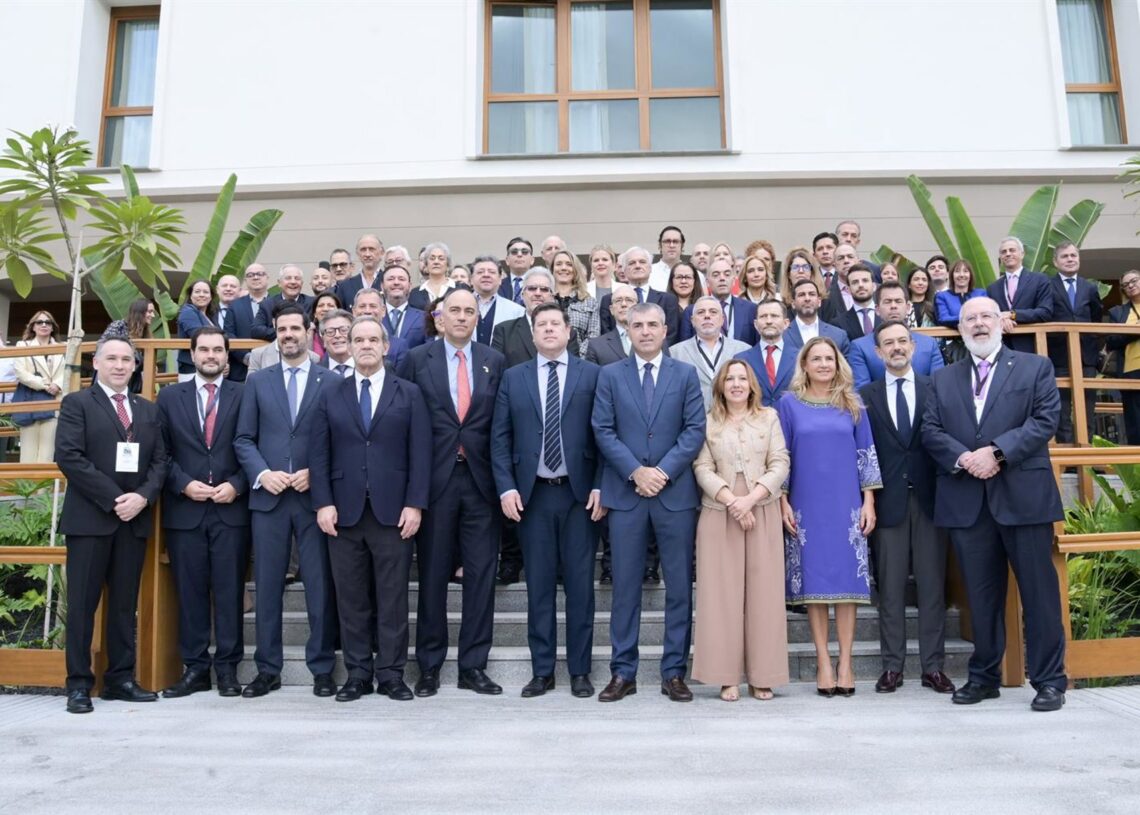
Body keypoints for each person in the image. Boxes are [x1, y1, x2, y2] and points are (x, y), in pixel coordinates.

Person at [921, 297, 1068, 712]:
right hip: (967, 500)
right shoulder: (943, 378)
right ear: (960, 329)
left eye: (986, 316)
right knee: (981, 597)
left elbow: (1044, 421)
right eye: (970, 319)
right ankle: (984, 677)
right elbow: (930, 429)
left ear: (1001, 322)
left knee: (1039, 594)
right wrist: (965, 457)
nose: (979, 324)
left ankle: (1049, 680)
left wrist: (997, 453)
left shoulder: (1034, 367)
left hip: (1024, 499)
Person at [310, 316, 431, 702]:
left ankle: (392, 674)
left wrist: (415, 504)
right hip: (343, 514)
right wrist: (323, 503)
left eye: (372, 340)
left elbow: (421, 454)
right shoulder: (331, 393)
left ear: (385, 347)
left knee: (393, 598)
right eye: (358, 339)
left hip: (393, 513)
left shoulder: (409, 393)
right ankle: (358, 674)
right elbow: (319, 453)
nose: (365, 345)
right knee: (351, 599)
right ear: (348, 346)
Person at [591, 302, 706, 703]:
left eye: (652, 324)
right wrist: (635, 472)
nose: (644, 331)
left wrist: (662, 472)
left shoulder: (685, 374)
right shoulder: (610, 375)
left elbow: (694, 430)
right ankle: (623, 672)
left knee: (679, 588)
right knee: (625, 587)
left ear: (665, 329)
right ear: (627, 329)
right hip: (627, 494)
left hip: (674, 496)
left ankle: (673, 672)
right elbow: (602, 429)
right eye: (637, 325)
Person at [396, 288, 507, 697]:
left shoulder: (494, 360)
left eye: (469, 311)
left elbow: (500, 424)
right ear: (439, 318)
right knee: (432, 576)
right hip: (434, 483)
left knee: (481, 577)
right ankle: (429, 666)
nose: (461, 317)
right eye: (454, 310)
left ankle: (473, 666)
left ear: (478, 318)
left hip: (481, 483)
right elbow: (402, 422)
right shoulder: (414, 360)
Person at [491, 303, 604, 699]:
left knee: (580, 589)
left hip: (580, 497)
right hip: (533, 496)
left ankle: (579, 671)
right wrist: (506, 488)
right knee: (538, 587)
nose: (550, 329)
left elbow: (605, 435)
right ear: (533, 333)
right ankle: (542, 671)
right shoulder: (513, 377)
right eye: (542, 324)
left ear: (569, 331)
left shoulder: (592, 375)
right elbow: (500, 438)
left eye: (556, 323)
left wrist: (601, 486)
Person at [54, 337, 169, 714]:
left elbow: (160, 462)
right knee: (82, 607)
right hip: (90, 520)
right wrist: (116, 498)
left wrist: (142, 498)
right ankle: (78, 685)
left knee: (123, 606)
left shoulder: (147, 409)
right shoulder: (77, 403)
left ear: (135, 365)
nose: (120, 365)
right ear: (96, 363)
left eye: (126, 360)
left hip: (133, 521)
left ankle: (120, 679)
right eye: (112, 359)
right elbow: (69, 457)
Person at [233, 305, 339, 699]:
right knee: (267, 586)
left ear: (310, 332)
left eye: (296, 327)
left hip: (314, 499)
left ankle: (322, 668)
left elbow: (341, 439)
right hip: (270, 499)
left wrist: (316, 472)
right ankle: (267, 669)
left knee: (319, 586)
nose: (289, 334)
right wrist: (263, 474)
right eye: (282, 329)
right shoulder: (258, 382)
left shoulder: (331, 381)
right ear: (275, 334)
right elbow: (244, 438)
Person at [777, 336, 880, 697]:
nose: (823, 364)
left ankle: (846, 663)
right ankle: (823, 661)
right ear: (804, 365)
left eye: (829, 359)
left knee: (847, 587)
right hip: (806, 506)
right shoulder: (788, 405)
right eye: (816, 359)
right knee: (815, 588)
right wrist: (782, 502)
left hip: (846, 505)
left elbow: (866, 454)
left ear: (838, 365)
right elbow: (782, 456)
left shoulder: (853, 404)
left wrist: (869, 502)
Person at [858, 321, 954, 696]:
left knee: (932, 587)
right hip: (888, 503)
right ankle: (892, 667)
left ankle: (933, 667)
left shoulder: (938, 388)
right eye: (888, 343)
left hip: (932, 500)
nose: (896, 348)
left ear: (913, 347)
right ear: (878, 352)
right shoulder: (866, 396)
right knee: (891, 588)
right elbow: (864, 452)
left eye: (902, 341)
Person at [156, 326, 249, 699]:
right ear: (192, 354)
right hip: (186, 510)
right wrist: (182, 484)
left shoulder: (245, 394)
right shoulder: (169, 397)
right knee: (190, 592)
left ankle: (227, 669)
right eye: (204, 350)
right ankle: (195, 668)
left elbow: (256, 446)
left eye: (218, 350)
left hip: (231, 509)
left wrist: (238, 484)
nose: (211, 356)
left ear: (227, 356)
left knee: (229, 592)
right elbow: (160, 453)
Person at [692, 360, 790, 702]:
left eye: (742, 379)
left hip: (761, 508)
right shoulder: (708, 421)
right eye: (729, 379)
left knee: (765, 595)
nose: (736, 384)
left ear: (752, 385)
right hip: (719, 511)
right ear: (720, 385)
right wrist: (732, 501)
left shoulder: (769, 417)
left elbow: (780, 462)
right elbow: (701, 466)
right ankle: (725, 676)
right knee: (720, 596)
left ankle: (763, 676)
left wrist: (750, 499)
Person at [1048, 241, 1103, 443]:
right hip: (1058, 354)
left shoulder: (1089, 287)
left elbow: (1096, 318)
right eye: (1065, 256)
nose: (1070, 259)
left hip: (1086, 355)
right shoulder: (1048, 286)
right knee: (1061, 406)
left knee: (1087, 404)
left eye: (1073, 255)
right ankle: (1066, 450)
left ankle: (1085, 447)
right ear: (1056, 262)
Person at [847, 282, 944, 388]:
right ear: (877, 309)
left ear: (908, 307)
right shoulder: (860, 347)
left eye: (898, 301)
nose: (893, 306)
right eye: (887, 302)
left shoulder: (929, 344)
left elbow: (939, 387)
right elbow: (861, 392)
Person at [670, 296, 751, 411]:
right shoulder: (674, 353)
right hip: (692, 418)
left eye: (713, 312)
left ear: (722, 319)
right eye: (701, 312)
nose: (707, 316)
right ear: (692, 321)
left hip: (733, 418)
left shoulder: (743, 350)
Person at [492, 267, 579, 371]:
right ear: (522, 295)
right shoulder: (504, 331)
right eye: (532, 288)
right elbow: (496, 371)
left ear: (552, 296)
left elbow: (574, 370)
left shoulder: (566, 331)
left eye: (544, 289)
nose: (538, 293)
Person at [598, 247, 681, 346]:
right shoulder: (609, 299)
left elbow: (671, 335)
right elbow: (606, 335)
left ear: (650, 268)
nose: (637, 266)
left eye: (642, 262)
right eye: (632, 263)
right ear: (624, 270)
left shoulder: (668, 300)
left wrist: (651, 352)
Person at [12, 310, 66, 462]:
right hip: (30, 402)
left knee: (47, 454)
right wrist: (45, 385)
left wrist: (57, 385)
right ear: (33, 327)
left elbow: (69, 371)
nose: (44, 325)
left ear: (53, 327)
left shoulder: (63, 347)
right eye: (39, 322)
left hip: (54, 402)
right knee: (27, 454)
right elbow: (20, 372)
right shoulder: (23, 345)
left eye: (48, 322)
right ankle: (28, 479)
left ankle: (44, 480)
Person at [986, 236, 1055, 355]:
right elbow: (990, 316)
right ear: (1001, 257)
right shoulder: (993, 288)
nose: (1008, 254)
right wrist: (1002, 319)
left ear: (1022, 254)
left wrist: (1012, 315)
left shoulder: (1039, 280)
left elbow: (1045, 312)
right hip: (1002, 349)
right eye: (1004, 252)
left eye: (1012, 250)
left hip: (1032, 346)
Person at [679, 258, 758, 345]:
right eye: (716, 275)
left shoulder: (751, 309)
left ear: (733, 281)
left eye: (727, 274)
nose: (722, 278)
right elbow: (684, 347)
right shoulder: (691, 311)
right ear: (707, 282)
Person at [735, 299, 797, 408]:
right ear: (755, 324)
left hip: (791, 417)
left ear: (786, 323)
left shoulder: (800, 357)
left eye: (774, 316)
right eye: (763, 316)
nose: (768, 321)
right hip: (755, 417)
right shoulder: (741, 359)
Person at [223, 263, 271, 381]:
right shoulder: (234, 305)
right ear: (245, 280)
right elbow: (229, 334)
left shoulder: (278, 302)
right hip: (240, 369)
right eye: (251, 275)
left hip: (273, 365)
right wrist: (246, 357)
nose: (255, 277)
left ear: (267, 278)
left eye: (260, 274)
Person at [1107, 270, 1140, 443]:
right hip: (1131, 370)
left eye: (1134, 281)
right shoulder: (1118, 312)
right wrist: (1134, 332)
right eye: (1126, 285)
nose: (1131, 286)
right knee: (1135, 418)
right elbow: (1112, 340)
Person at [550, 249, 600, 358]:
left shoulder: (590, 302)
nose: (564, 268)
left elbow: (593, 336)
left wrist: (577, 359)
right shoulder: (545, 299)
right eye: (559, 264)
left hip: (580, 360)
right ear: (552, 269)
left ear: (575, 269)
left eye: (569, 264)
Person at [784, 279, 851, 357]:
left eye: (812, 294)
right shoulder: (782, 335)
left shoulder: (839, 335)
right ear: (793, 304)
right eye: (801, 295)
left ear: (819, 301)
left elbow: (845, 364)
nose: (807, 298)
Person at [471, 254, 525, 345]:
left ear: (500, 279)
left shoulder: (517, 311)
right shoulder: (458, 305)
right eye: (480, 272)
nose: (486, 275)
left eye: (492, 272)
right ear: (471, 279)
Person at [254, 265, 313, 339]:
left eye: (297, 278)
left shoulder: (311, 303)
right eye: (288, 278)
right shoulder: (267, 305)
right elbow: (256, 330)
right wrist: (284, 331)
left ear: (302, 283)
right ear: (279, 283)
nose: (293, 282)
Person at [586, 284, 637, 367]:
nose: (624, 304)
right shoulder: (596, 345)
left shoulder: (651, 340)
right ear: (611, 310)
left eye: (629, 300)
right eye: (618, 300)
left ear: (638, 307)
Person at [177, 280, 218, 382]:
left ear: (211, 296)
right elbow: (199, 336)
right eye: (197, 291)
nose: (201, 295)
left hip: (209, 366)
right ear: (190, 296)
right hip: (192, 367)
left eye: (205, 292)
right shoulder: (187, 312)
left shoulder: (211, 316)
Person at [382, 264, 428, 348]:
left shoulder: (425, 318)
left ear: (410, 286)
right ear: (382, 286)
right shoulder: (373, 316)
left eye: (401, 279)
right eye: (391, 279)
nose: (396, 282)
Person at [334, 234, 385, 308]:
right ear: (358, 254)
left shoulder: (389, 282)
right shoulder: (345, 286)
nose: (367, 254)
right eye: (363, 250)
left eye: (371, 249)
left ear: (382, 253)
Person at [835, 264, 879, 342]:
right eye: (855, 282)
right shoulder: (838, 324)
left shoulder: (888, 317)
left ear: (874, 286)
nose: (860, 285)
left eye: (865, 280)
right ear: (848, 289)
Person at [408, 242, 455, 311]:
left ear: (447, 265)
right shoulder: (415, 294)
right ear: (426, 265)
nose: (436, 262)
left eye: (441, 258)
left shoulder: (459, 289)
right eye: (432, 258)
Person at [315, 309, 356, 376]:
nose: (337, 335)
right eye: (330, 331)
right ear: (323, 340)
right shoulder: (313, 373)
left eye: (344, 330)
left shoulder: (370, 367)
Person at [649, 225, 686, 291]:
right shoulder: (649, 272)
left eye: (675, 241)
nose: (671, 245)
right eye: (667, 241)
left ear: (682, 246)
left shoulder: (694, 274)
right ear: (660, 245)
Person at [499, 237, 535, 304]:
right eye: (514, 252)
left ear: (532, 260)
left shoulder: (541, 284)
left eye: (524, 252)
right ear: (507, 260)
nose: (519, 254)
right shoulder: (497, 285)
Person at [308, 291, 343, 357]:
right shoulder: (308, 335)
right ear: (315, 313)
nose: (325, 309)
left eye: (330, 305)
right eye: (321, 306)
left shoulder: (346, 334)